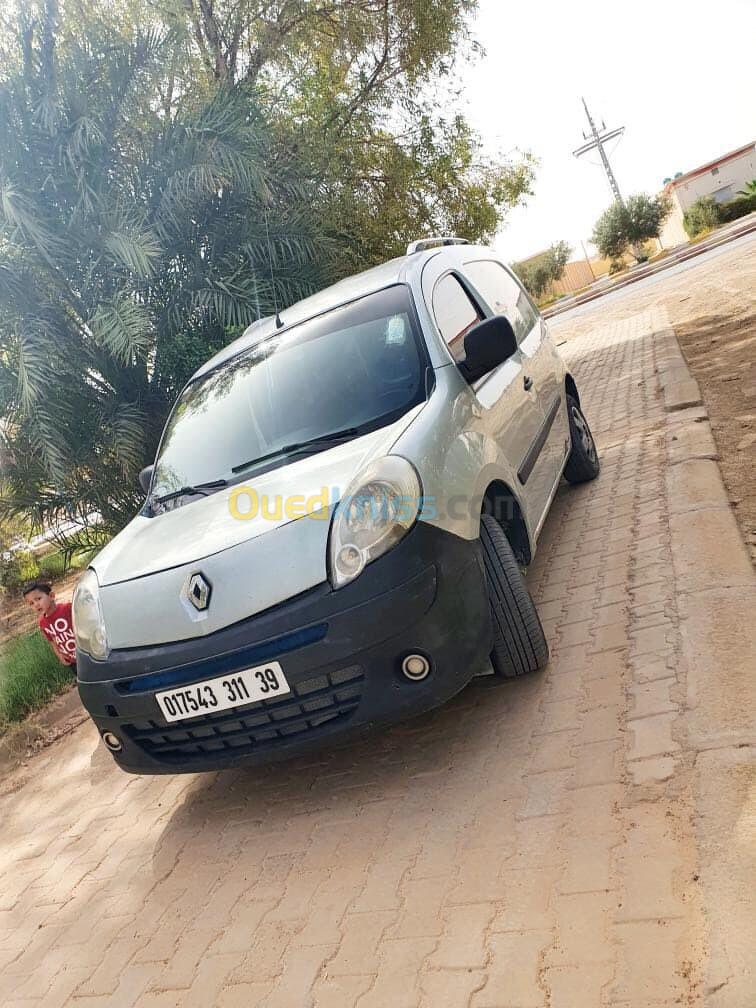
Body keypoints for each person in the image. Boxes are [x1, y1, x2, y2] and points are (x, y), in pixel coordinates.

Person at [22, 579, 77, 672]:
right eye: (31, 603)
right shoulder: (42, 623)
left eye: (38, 599)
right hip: (71, 661)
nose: (36, 605)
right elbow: (52, 641)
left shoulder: (68, 608)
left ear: (51, 596)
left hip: (86, 654)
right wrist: (60, 655)